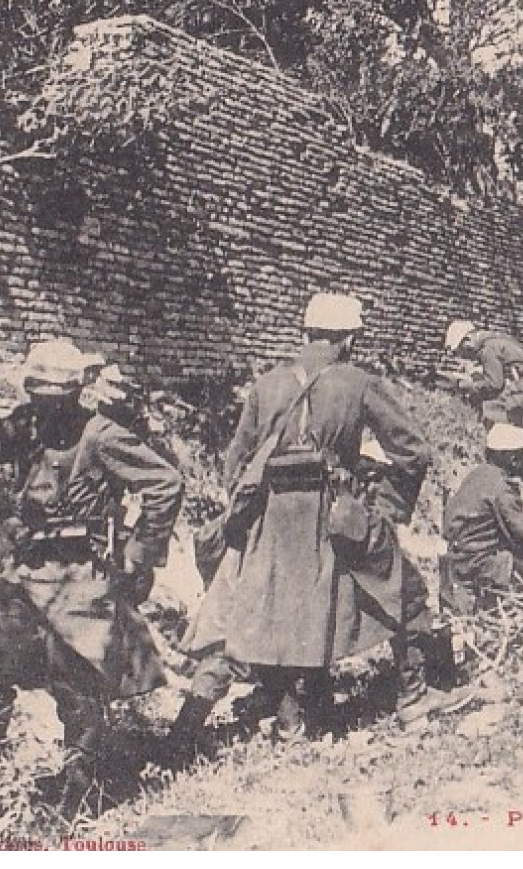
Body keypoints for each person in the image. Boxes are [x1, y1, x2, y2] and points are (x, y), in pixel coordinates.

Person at [172, 293, 464, 749]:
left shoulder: (267, 385)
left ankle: (273, 720)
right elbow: (413, 451)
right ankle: (414, 698)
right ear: (349, 340)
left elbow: (235, 463)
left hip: (271, 523)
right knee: (403, 590)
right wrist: (387, 507)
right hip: (336, 517)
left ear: (304, 332)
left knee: (259, 615)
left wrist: (254, 513)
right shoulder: (357, 381)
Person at [0, 339, 184, 809]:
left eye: (57, 397)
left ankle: (79, 793)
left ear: (77, 391)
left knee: (76, 685)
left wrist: (139, 554)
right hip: (24, 569)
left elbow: (164, 483)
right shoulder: (22, 425)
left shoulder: (102, 434)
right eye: (39, 396)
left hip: (81, 573)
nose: (47, 408)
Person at [440, 423, 523, 610]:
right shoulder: (502, 489)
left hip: (458, 562)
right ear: (512, 458)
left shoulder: (477, 475)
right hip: (480, 565)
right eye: (522, 456)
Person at [442, 320, 523, 428]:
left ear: (468, 339)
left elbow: (495, 384)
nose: (463, 354)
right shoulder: (496, 340)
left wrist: (467, 383)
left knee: (488, 410)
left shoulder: (488, 349)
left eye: (461, 349)